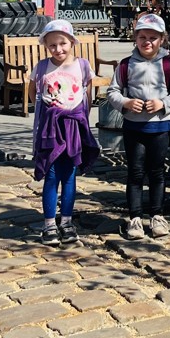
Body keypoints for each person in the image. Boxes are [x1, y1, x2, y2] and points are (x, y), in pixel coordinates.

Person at [106, 13, 170, 241]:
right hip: (134, 127)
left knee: (157, 172)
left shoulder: (168, 64)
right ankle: (135, 217)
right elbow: (112, 91)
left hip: (159, 127)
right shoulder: (126, 65)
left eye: (153, 37)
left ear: (162, 39)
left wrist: (163, 104)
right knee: (135, 172)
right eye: (142, 37)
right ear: (135, 38)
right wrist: (126, 103)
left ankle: (157, 215)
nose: (147, 42)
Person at [28, 19, 99, 246]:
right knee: (51, 174)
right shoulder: (42, 67)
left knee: (69, 174)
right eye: (52, 45)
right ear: (46, 46)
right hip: (51, 128)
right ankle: (49, 223)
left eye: (62, 44)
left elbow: (87, 92)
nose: (58, 49)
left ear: (72, 42)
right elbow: (32, 91)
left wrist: (81, 117)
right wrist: (47, 112)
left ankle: (66, 221)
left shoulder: (82, 66)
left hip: (73, 126)